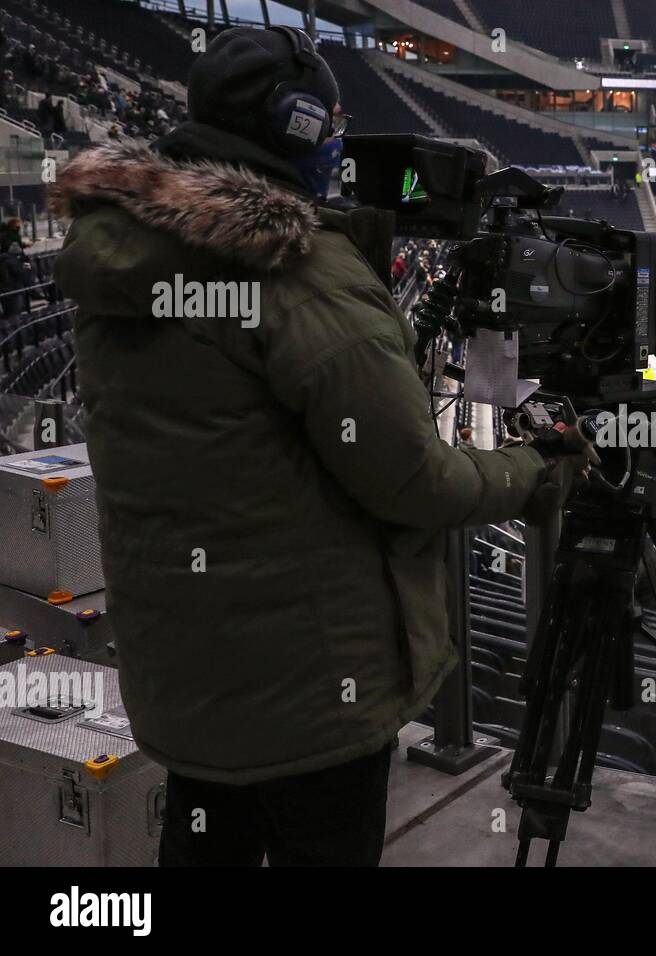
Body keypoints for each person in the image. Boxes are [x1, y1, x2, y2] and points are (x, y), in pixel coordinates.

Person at [50, 26, 593, 867]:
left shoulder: (123, 260)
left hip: (188, 682)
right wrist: (535, 468)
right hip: (311, 697)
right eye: (330, 123)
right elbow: (418, 482)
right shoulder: (296, 276)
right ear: (298, 128)